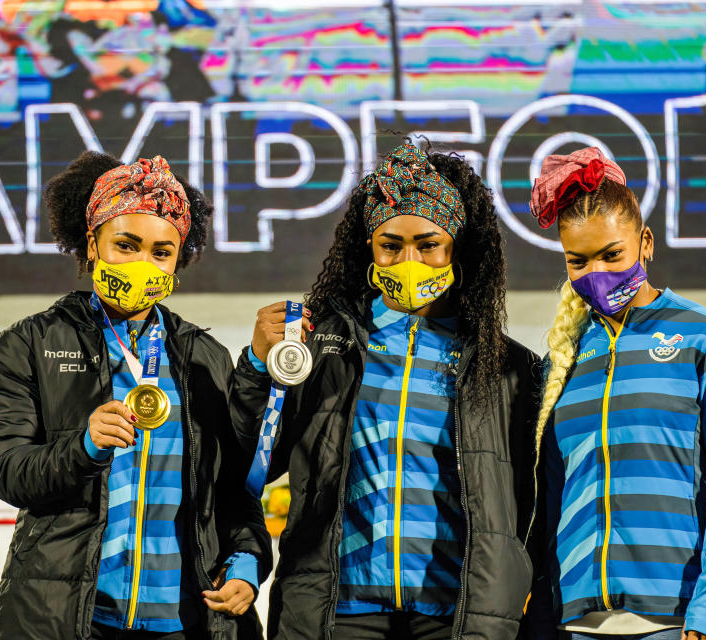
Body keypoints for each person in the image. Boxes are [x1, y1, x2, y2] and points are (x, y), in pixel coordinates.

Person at [231, 142, 543, 639]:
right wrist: (256, 367)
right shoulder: (322, 346)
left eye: (428, 244)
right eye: (390, 244)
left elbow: (534, 504)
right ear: (369, 249)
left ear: (457, 248)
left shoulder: (509, 368)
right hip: (337, 611)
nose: (408, 259)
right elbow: (248, 463)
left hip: (458, 615)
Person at [0, 151, 271, 639]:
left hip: (184, 619)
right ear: (92, 244)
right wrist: (84, 446)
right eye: (126, 245)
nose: (142, 263)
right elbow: (8, 474)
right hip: (68, 617)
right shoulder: (29, 344)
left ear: (179, 261)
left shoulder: (205, 358)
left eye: (160, 252)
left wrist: (245, 562)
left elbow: (233, 488)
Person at [526, 148, 706, 640]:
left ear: (646, 242)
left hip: (673, 620)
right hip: (577, 622)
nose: (598, 273)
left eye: (612, 254)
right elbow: (550, 499)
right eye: (579, 261)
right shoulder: (562, 360)